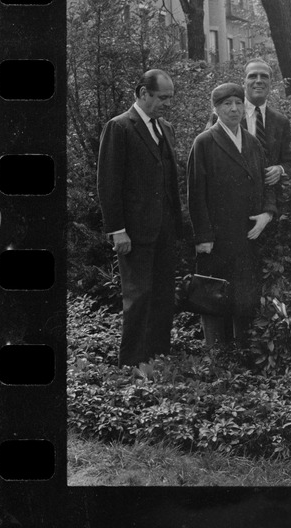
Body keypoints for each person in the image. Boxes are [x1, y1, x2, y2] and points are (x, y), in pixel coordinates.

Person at [97, 69, 184, 368]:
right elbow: (109, 183)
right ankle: (132, 363)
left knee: (162, 295)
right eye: (162, 98)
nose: (166, 104)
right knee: (138, 297)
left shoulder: (166, 129)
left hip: (165, 230)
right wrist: (117, 230)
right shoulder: (119, 127)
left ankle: (158, 357)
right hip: (134, 232)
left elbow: (171, 182)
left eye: (170, 98)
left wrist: (178, 225)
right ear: (142, 93)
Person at [187, 83, 277, 349]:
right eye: (227, 104)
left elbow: (266, 183)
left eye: (238, 103)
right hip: (216, 238)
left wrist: (267, 214)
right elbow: (195, 195)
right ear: (215, 109)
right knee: (214, 297)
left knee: (244, 297)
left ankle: (242, 354)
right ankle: (217, 356)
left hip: (247, 235)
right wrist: (203, 237)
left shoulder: (251, 142)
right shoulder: (204, 142)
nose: (234, 109)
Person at [207, 58, 291, 186]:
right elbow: (208, 159)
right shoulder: (224, 115)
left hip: (268, 199)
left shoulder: (281, 122)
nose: (258, 81)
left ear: (271, 82)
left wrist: (279, 169)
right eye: (253, 76)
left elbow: (289, 163)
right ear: (244, 82)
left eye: (264, 76)